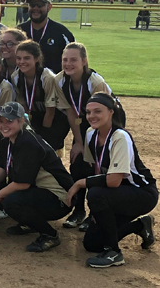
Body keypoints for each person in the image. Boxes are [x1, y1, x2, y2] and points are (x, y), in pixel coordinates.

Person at [66, 93, 157, 268]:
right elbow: (93, 168)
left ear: (111, 112)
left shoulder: (120, 137)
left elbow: (114, 181)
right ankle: (140, 225)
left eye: (97, 111)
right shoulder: (91, 134)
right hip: (117, 194)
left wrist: (79, 184)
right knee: (92, 244)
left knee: (95, 194)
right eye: (88, 112)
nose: (92, 116)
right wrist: (96, 212)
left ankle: (114, 252)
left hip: (141, 193)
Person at [0, 102, 74, 252]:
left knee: (11, 202)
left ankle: (50, 235)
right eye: (0, 121)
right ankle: (30, 223)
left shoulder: (28, 142)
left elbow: (23, 183)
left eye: (9, 121)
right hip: (41, 191)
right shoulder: (8, 140)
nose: (4, 125)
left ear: (21, 120)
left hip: (60, 199)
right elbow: (1, 166)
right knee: (4, 194)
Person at [55, 42, 114, 231]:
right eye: (65, 59)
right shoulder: (60, 80)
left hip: (107, 123)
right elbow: (72, 112)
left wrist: (92, 147)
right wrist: (79, 142)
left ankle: (95, 214)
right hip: (85, 123)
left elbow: (102, 115)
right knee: (77, 162)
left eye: (73, 59)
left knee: (96, 166)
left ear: (84, 61)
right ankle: (79, 211)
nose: (68, 63)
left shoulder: (95, 82)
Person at [11, 40, 69, 152]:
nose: (22, 62)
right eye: (18, 58)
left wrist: (43, 137)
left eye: (27, 58)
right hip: (36, 116)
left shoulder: (47, 77)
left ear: (37, 58)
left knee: (47, 152)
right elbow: (24, 106)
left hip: (54, 120)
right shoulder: (16, 77)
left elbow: (50, 111)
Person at [18, 0, 75, 74]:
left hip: (54, 85)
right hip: (24, 85)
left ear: (49, 7)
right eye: (32, 5)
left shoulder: (61, 33)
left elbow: (74, 61)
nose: (36, 8)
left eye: (40, 5)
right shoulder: (18, 31)